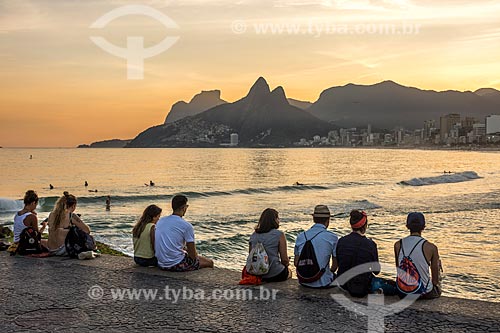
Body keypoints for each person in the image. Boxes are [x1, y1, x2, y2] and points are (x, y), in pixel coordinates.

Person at [336, 210, 396, 297]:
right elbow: (376, 271)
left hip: (342, 283)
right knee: (392, 286)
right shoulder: (370, 244)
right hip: (362, 286)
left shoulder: (341, 241)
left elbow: (339, 263)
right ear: (365, 226)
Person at [155, 195, 213, 271]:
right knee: (209, 262)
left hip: (161, 263)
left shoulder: (161, 221)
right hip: (175, 264)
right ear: (183, 207)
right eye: (187, 206)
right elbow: (193, 255)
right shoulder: (186, 226)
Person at [394, 212, 441, 299]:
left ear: (407, 226)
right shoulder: (431, 247)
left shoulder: (398, 245)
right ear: (423, 227)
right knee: (437, 268)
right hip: (424, 293)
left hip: (403, 291)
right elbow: (435, 281)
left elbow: (399, 269)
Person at [294, 205, 338, 288]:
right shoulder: (333, 237)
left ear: (313, 219)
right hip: (323, 283)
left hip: (303, 281)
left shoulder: (301, 236)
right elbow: (335, 266)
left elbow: (296, 263)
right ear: (328, 220)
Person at [248, 208, 290, 282]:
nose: (279, 221)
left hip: (257, 274)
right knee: (289, 272)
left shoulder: (253, 235)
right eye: (278, 218)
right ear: (274, 220)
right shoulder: (279, 234)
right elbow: (284, 260)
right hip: (275, 274)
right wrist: (287, 264)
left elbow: (251, 255)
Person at [46, 192, 91, 256]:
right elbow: (87, 230)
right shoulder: (71, 215)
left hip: (50, 249)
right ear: (73, 206)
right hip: (62, 250)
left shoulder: (51, 214)